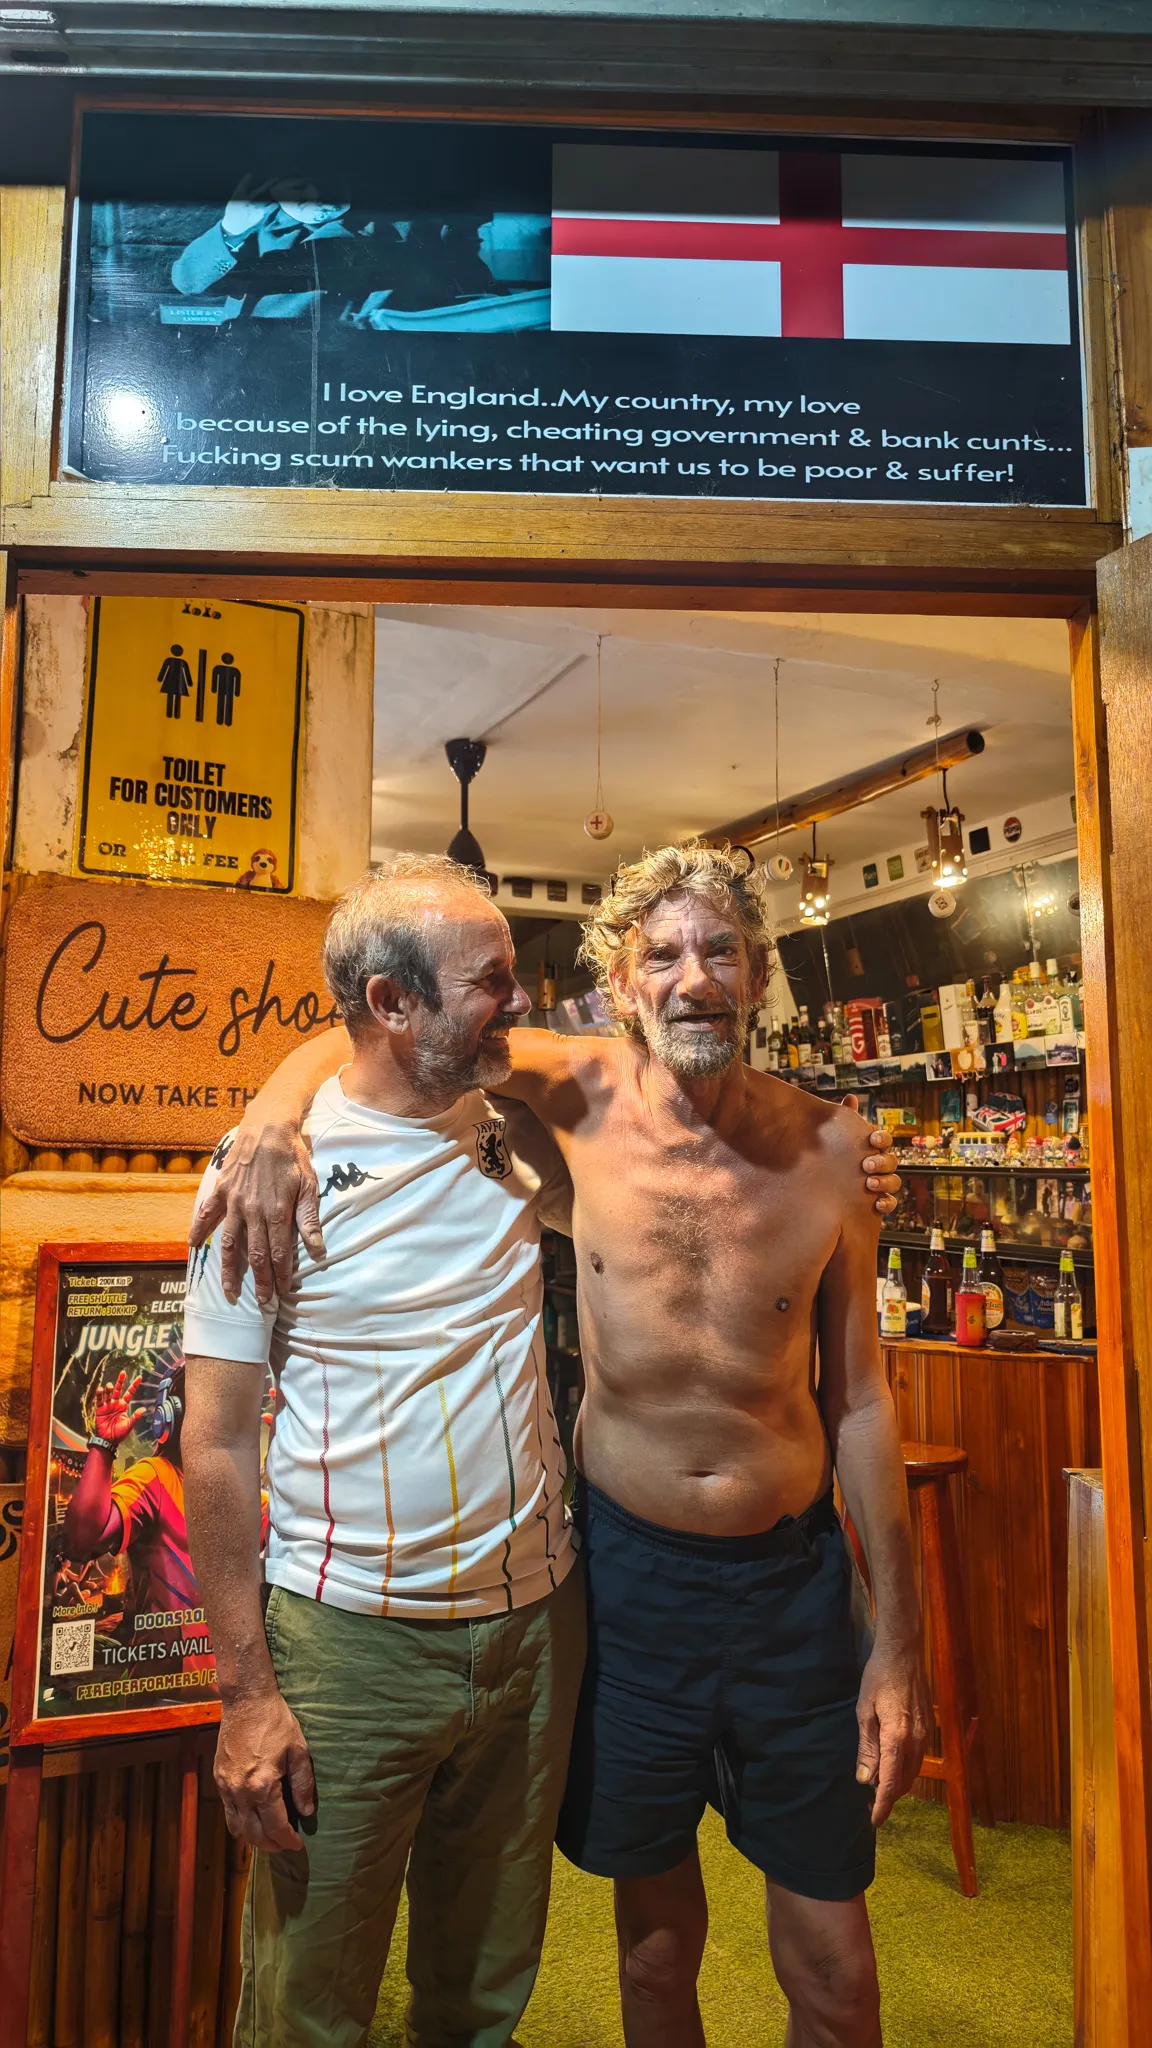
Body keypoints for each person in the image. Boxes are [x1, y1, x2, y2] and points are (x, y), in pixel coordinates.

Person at [193, 842, 916, 2048]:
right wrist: (268, 1113)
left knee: (816, 1969)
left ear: (760, 971)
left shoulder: (821, 1149)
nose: (697, 978)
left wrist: (902, 1634)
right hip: (594, 1588)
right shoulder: (555, 1099)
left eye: (724, 949)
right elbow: (362, 1036)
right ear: (623, 980)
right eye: (665, 953)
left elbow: (864, 1403)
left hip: (733, 1591)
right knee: (635, 1950)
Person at [181, 855, 586, 2048]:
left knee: (484, 1994)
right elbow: (212, 1444)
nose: (519, 1000)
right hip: (349, 1642)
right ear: (390, 1003)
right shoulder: (265, 1177)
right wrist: (247, 1692)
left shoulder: (518, 1135)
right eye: (490, 982)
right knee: (312, 2001)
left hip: (531, 1631)